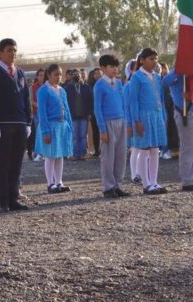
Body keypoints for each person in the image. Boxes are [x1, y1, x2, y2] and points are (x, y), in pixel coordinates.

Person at [0, 38, 32, 211]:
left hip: (19, 123)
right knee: (3, 162)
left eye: (15, 50)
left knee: (16, 162)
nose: (13, 53)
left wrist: (28, 122)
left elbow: (26, 98)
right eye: (9, 50)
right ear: (0, 53)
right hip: (2, 125)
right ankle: (2, 199)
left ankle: (13, 198)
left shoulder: (20, 73)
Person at [125, 48, 168, 195]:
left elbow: (160, 99)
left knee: (155, 150)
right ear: (142, 60)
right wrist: (135, 120)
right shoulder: (136, 77)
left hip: (156, 115)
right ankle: (146, 184)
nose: (154, 61)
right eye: (151, 58)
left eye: (155, 59)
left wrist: (163, 116)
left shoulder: (157, 77)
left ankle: (154, 182)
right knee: (144, 150)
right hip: (143, 116)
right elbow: (133, 101)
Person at [162, 65, 193, 192]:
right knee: (187, 147)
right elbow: (165, 82)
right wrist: (179, 71)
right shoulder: (177, 74)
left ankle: (191, 177)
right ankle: (187, 181)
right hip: (185, 112)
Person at [92, 55, 129, 199]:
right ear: (103, 68)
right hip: (108, 123)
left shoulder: (119, 83)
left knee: (120, 156)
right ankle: (108, 187)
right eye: (111, 66)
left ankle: (117, 185)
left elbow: (123, 102)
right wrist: (102, 129)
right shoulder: (99, 85)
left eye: (116, 66)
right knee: (108, 157)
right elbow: (97, 109)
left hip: (121, 121)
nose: (115, 69)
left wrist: (125, 119)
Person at [34, 63, 73, 193]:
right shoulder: (43, 91)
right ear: (49, 75)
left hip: (62, 125)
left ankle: (59, 182)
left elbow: (67, 109)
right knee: (50, 155)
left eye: (60, 74)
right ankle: (50, 183)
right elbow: (42, 113)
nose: (58, 77)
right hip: (50, 126)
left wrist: (70, 126)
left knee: (60, 154)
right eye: (56, 74)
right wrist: (45, 131)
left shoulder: (62, 90)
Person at [65, 68, 92, 161]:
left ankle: (83, 153)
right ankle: (74, 154)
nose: (76, 76)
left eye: (78, 74)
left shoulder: (86, 87)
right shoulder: (68, 88)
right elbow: (65, 102)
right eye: (74, 74)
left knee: (83, 136)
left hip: (84, 115)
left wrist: (89, 113)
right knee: (75, 136)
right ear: (71, 76)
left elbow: (90, 101)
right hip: (73, 115)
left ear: (81, 75)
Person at [27, 68, 46, 161]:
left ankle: (46, 152)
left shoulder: (49, 86)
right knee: (38, 133)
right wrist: (40, 106)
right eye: (40, 75)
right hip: (36, 113)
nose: (42, 77)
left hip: (48, 114)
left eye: (44, 75)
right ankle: (38, 153)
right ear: (37, 77)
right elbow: (31, 100)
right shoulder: (33, 87)